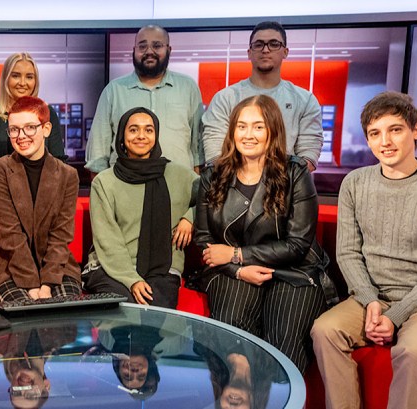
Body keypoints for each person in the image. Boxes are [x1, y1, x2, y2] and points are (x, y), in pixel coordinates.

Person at [311, 91, 417, 409]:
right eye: (375, 133)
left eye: (395, 129)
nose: (385, 141)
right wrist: (370, 301)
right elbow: (348, 253)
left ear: (416, 131)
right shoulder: (355, 184)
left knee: (413, 351)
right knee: (325, 330)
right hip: (372, 296)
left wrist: (395, 315)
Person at [193, 95, 330, 374]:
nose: (249, 135)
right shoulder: (213, 175)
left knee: (283, 349)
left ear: (273, 131)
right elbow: (204, 239)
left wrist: (236, 253)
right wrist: (237, 268)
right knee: (232, 340)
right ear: (232, 131)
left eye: (258, 127)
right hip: (231, 272)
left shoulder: (295, 173)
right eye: (241, 126)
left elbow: (298, 244)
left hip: (292, 272)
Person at [0, 96, 81, 303]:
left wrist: (47, 284)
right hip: (7, 264)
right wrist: (31, 284)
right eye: (14, 129)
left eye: (30, 127)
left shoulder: (68, 174)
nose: (21, 136)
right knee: (24, 311)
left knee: (66, 313)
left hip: (55, 264)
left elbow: (61, 235)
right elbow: (8, 235)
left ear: (46, 129)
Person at [83, 107, 196, 308]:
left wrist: (191, 217)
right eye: (133, 130)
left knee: (155, 317)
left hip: (163, 267)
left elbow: (215, 196)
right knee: (125, 309)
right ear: (122, 136)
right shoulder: (104, 182)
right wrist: (131, 279)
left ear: (156, 135)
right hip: (110, 267)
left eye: (149, 130)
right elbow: (107, 238)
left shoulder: (180, 176)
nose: (141, 136)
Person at [202, 21, 323, 170]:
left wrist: (280, 181)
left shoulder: (305, 100)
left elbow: (308, 153)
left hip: (286, 188)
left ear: (285, 52)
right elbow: (214, 151)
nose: (265, 50)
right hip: (232, 188)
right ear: (249, 52)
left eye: (274, 44)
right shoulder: (225, 98)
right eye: (258, 44)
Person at [86, 25, 205, 174]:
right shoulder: (114, 91)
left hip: (179, 189)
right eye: (142, 46)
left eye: (157, 46)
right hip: (124, 188)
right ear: (134, 50)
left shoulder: (188, 88)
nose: (149, 52)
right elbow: (98, 154)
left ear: (169, 50)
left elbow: (198, 149)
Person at [0, 52, 67, 197]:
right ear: (6, 79)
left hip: (42, 199)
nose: (23, 82)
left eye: (29, 77)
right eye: (16, 75)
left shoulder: (48, 113)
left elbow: (58, 164)